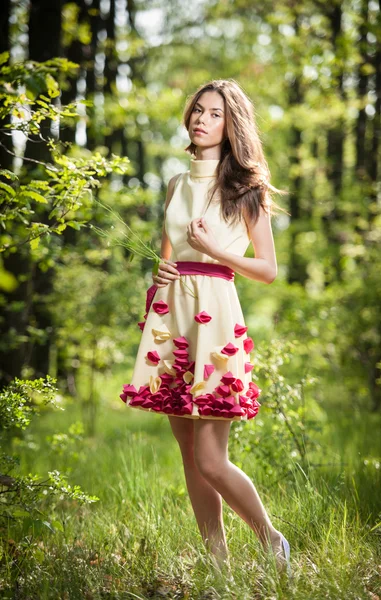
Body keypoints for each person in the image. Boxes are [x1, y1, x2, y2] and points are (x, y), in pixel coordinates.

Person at [120, 79, 291, 577]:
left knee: (212, 458)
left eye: (214, 113)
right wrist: (161, 272)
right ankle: (216, 564)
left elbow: (267, 269)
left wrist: (217, 251)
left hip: (215, 314)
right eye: (198, 110)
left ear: (230, 123)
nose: (201, 119)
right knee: (189, 454)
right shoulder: (176, 184)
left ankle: (271, 539)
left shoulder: (245, 189)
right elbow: (169, 254)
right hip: (172, 315)